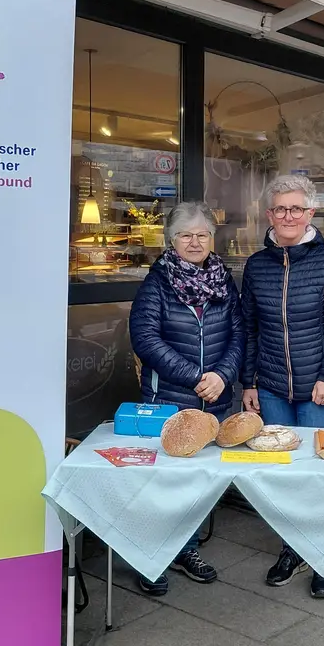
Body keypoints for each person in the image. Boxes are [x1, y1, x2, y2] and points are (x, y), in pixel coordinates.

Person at [240, 174, 324, 599]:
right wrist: (248, 382)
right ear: (269, 215)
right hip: (270, 387)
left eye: (296, 209)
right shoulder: (256, 265)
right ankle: (291, 548)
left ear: (310, 213)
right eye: (280, 209)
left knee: (320, 472)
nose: (287, 216)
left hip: (316, 389)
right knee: (283, 473)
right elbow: (248, 327)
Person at [129, 201, 244, 596]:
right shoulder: (157, 283)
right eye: (185, 235)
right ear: (171, 240)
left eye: (203, 234)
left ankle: (187, 549)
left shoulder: (223, 280)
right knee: (163, 483)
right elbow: (145, 339)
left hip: (214, 398)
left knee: (199, 483)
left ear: (213, 238)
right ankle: (152, 556)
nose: (195, 242)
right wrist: (196, 377)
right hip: (169, 399)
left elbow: (238, 334)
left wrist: (223, 376)